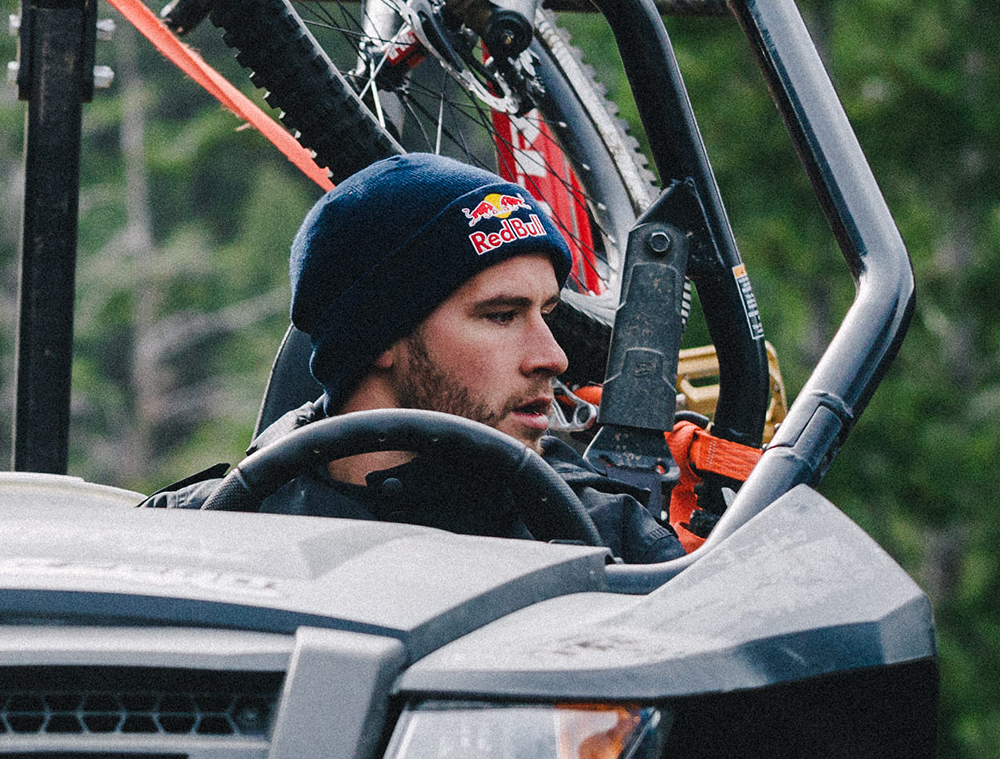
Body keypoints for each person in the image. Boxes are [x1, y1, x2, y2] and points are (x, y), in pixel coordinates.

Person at [150, 152, 684, 563]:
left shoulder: (613, 540)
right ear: (379, 336)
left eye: (546, 312)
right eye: (501, 315)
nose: (553, 357)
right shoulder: (190, 534)